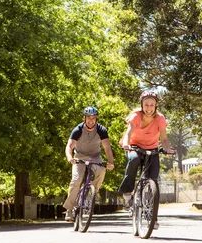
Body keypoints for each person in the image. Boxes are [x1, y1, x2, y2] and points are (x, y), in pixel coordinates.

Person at [118, 91, 173, 227]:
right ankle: (127, 192)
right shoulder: (136, 116)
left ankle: (152, 217)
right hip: (134, 146)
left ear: (156, 106)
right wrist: (126, 144)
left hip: (152, 149)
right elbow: (129, 132)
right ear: (142, 105)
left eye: (152, 105)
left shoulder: (160, 118)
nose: (149, 108)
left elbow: (164, 139)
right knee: (134, 160)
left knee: (153, 181)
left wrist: (168, 149)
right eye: (146, 105)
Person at [63, 106, 114, 223]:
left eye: (93, 118)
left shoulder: (101, 130)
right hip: (79, 157)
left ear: (96, 119)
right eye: (88, 118)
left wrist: (110, 162)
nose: (91, 121)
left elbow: (107, 148)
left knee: (101, 171)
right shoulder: (78, 130)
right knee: (76, 180)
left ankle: (92, 192)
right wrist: (70, 158)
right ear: (84, 118)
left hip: (95, 156)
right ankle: (69, 209)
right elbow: (69, 147)